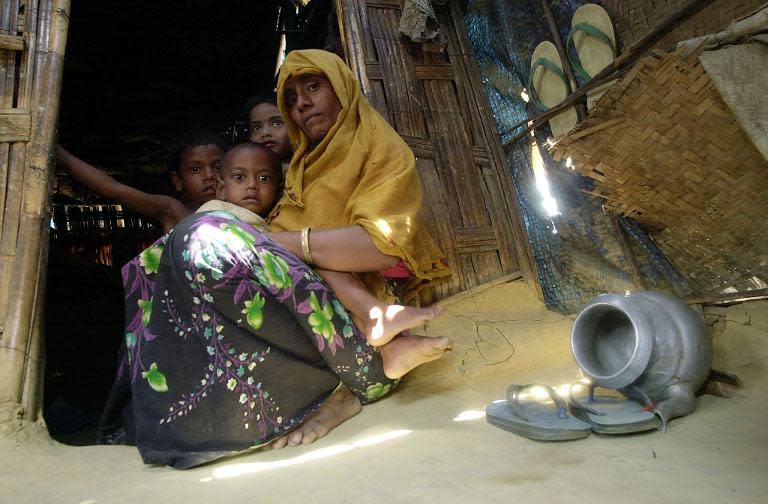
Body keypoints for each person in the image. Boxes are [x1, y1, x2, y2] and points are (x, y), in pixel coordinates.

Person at [56, 130, 227, 233]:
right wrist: (60, 155)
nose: (209, 175)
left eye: (218, 167)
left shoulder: (241, 212)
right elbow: (114, 189)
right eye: (195, 169)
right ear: (177, 181)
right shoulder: (174, 211)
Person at [245, 92, 293, 173]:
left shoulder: (313, 167)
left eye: (277, 123)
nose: (265, 133)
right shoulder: (244, 173)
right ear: (250, 137)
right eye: (257, 127)